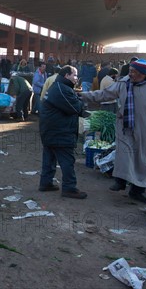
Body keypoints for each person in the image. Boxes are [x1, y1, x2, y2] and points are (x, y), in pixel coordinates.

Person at [79, 59, 146, 202]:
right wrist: (83, 95)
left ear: (143, 74)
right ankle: (120, 181)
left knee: (145, 159)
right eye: (130, 70)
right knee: (124, 154)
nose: (130, 74)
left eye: (134, 72)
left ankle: (137, 191)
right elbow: (104, 94)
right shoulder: (124, 83)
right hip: (126, 127)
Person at [38, 65, 88, 199]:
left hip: (51, 130)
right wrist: (80, 102)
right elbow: (75, 108)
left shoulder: (59, 86)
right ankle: (69, 188)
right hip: (59, 131)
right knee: (67, 160)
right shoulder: (61, 89)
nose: (76, 78)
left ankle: (46, 183)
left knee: (49, 157)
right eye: (75, 75)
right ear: (67, 75)